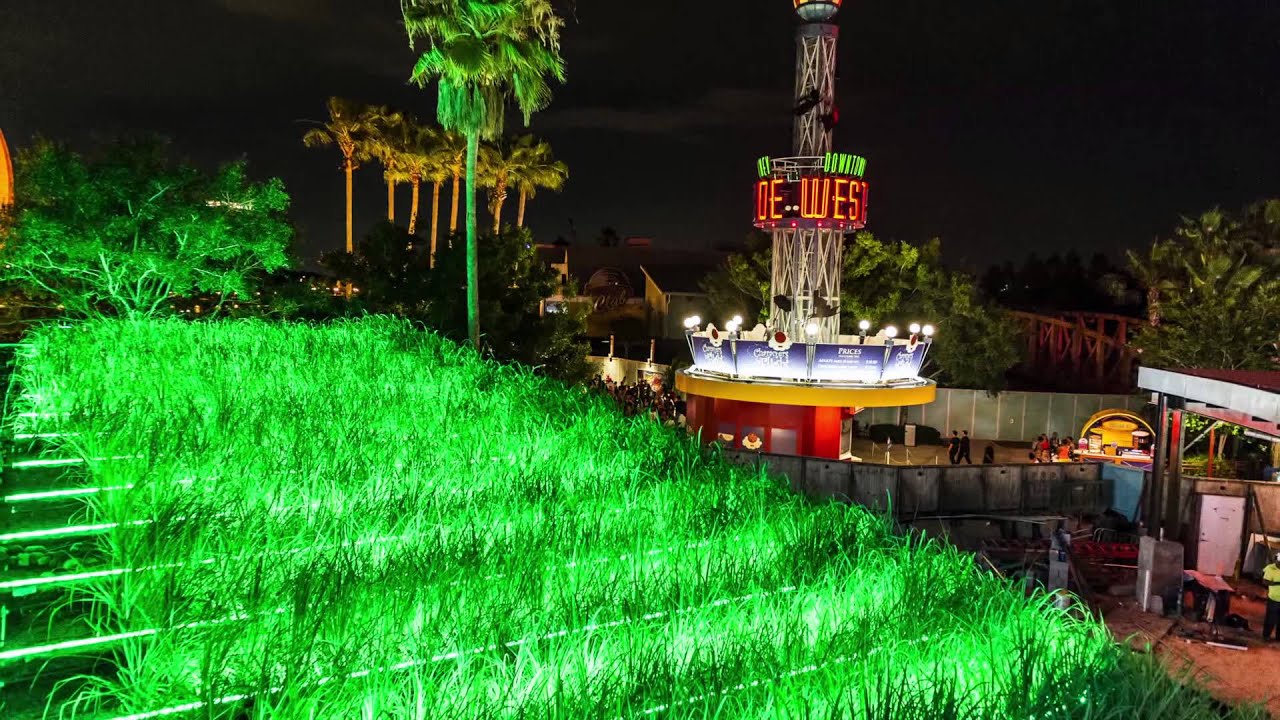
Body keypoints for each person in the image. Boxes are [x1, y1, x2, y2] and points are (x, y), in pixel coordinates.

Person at [1264, 551, 1280, 642]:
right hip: (1273, 598)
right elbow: (1265, 581)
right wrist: (1277, 583)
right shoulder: (1270, 569)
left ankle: (1278, 637)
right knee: (1270, 619)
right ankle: (1266, 636)